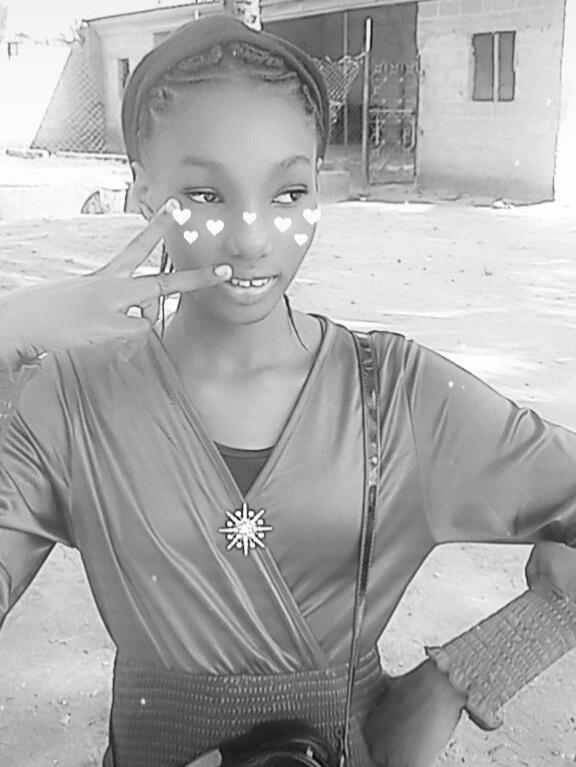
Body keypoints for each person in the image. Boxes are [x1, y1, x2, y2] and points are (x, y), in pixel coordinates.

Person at [1, 15, 575, 767]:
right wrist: (6, 328)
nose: (251, 236)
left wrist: (468, 672)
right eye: (205, 193)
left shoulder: (398, 396)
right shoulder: (68, 400)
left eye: (289, 191)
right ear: (142, 187)